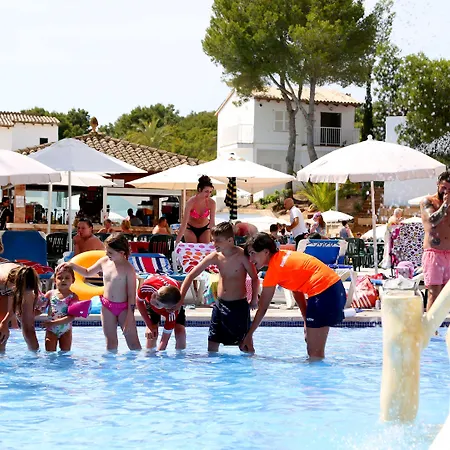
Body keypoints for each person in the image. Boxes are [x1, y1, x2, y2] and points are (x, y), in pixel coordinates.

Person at [240, 233, 346, 359]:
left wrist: (249, 336)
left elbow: (263, 307)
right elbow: (297, 290)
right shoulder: (283, 256)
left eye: (253, 253)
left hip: (323, 292)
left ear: (266, 252)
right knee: (314, 351)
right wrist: (306, 320)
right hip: (333, 288)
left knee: (314, 354)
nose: (250, 259)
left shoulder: (274, 270)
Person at [179, 222, 259, 352]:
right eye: (213, 240)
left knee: (245, 344)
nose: (214, 244)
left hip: (239, 306)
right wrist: (180, 299)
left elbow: (255, 278)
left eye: (218, 241)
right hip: (220, 305)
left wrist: (254, 299)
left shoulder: (242, 256)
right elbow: (191, 275)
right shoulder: (215, 257)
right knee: (212, 343)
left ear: (230, 240)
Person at [67, 233, 141, 351]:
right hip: (107, 307)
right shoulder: (104, 261)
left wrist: (130, 316)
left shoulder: (128, 269)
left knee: (133, 344)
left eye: (110, 252)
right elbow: (87, 272)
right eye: (106, 251)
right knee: (110, 344)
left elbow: (132, 295)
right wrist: (71, 265)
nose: (107, 254)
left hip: (124, 308)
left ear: (121, 253)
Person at [421, 171, 450, 311]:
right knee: (434, 294)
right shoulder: (428, 201)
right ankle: (431, 325)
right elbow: (432, 221)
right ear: (437, 185)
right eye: (444, 188)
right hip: (434, 253)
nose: (446, 192)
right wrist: (445, 205)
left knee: (447, 297)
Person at [136, 275, 186, 351]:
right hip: (156, 286)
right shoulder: (147, 288)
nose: (153, 301)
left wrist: (160, 355)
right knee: (151, 334)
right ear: (156, 293)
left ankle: (180, 355)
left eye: (157, 304)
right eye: (154, 296)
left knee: (180, 332)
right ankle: (149, 354)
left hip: (173, 299)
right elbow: (139, 302)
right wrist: (149, 325)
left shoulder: (171, 313)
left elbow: (164, 341)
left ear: (167, 309)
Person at [0, 266, 41, 351]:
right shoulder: (3, 282)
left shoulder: (27, 276)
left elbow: (15, 304)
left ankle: (35, 354)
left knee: (28, 329)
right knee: (1, 331)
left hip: (16, 281)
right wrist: (4, 322)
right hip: (4, 284)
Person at [40, 265, 79, 352]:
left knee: (65, 353)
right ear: (55, 280)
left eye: (67, 278)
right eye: (60, 278)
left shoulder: (73, 297)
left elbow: (71, 317)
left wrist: (53, 323)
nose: (63, 280)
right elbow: (40, 308)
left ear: (73, 280)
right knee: (50, 353)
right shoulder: (50, 294)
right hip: (51, 330)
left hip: (65, 330)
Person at [175, 175, 216, 245]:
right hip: (190, 228)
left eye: (210, 192)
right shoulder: (191, 202)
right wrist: (177, 242)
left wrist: (215, 239)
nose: (208, 194)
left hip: (205, 228)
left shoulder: (211, 203)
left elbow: (212, 223)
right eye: (206, 191)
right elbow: (184, 223)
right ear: (199, 190)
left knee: (204, 249)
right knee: (192, 248)